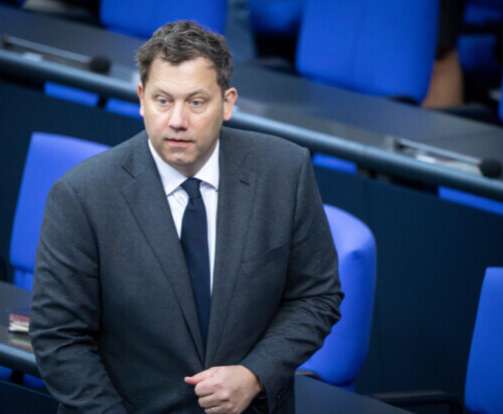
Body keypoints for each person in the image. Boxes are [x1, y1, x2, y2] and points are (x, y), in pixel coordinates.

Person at [30, 20, 342, 414]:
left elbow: (316, 296)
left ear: (227, 103)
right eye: (163, 100)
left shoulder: (284, 171)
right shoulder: (82, 195)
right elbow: (58, 336)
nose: (177, 120)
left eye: (196, 102)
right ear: (141, 98)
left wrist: (255, 374)